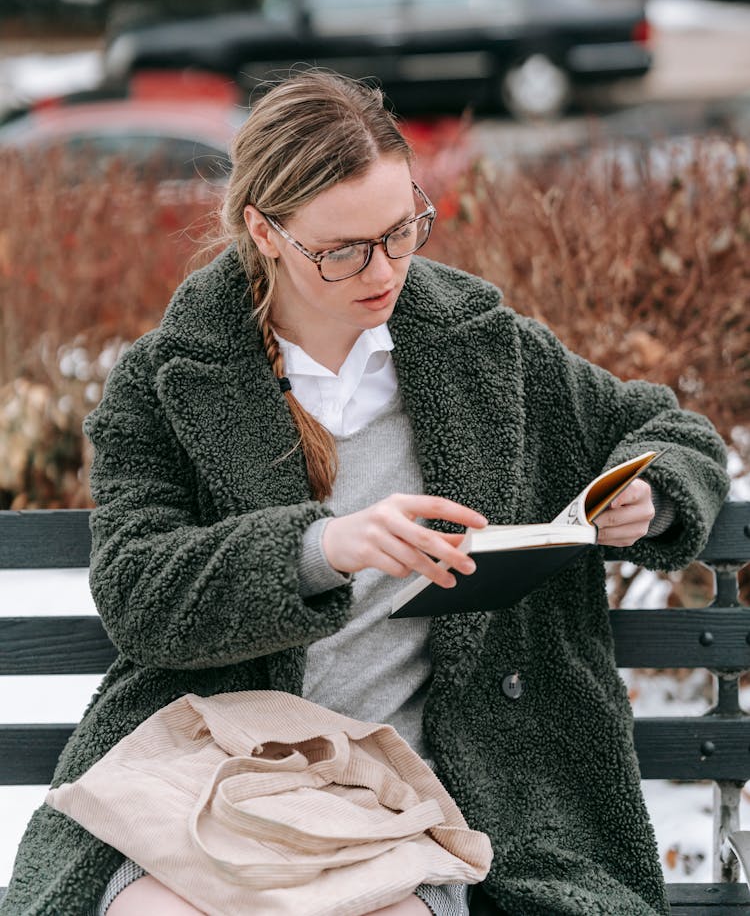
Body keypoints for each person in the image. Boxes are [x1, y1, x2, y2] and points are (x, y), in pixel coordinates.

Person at [3, 70, 729, 916]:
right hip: (218, 774)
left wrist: (657, 498)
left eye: (401, 231)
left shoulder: (484, 352)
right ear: (263, 232)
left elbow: (671, 431)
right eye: (343, 249)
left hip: (415, 790)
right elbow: (137, 589)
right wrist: (322, 547)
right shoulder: (168, 380)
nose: (383, 269)